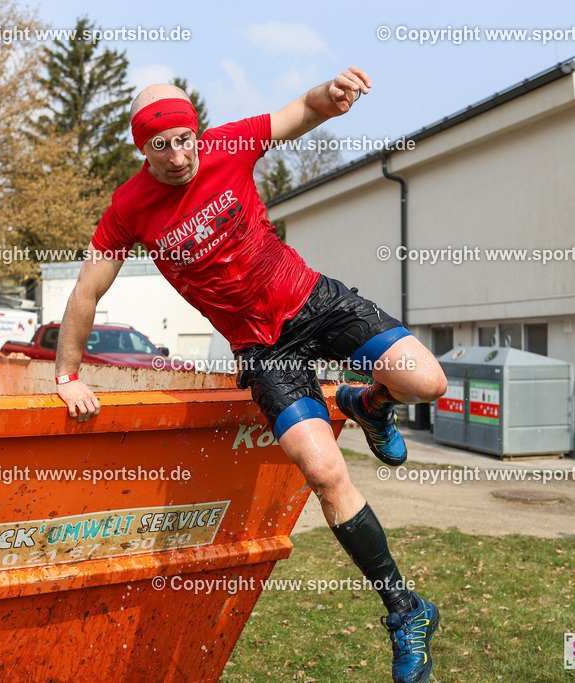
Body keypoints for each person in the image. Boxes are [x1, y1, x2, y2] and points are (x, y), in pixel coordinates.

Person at [54, 68, 447, 683]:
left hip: (315, 301)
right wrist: (67, 376)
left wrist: (333, 96)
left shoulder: (228, 145)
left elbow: (301, 112)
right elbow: (86, 292)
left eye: (185, 138)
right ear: (143, 148)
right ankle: (406, 610)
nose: (180, 154)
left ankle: (369, 402)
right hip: (265, 351)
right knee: (322, 471)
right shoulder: (129, 208)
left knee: (429, 383)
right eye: (162, 145)